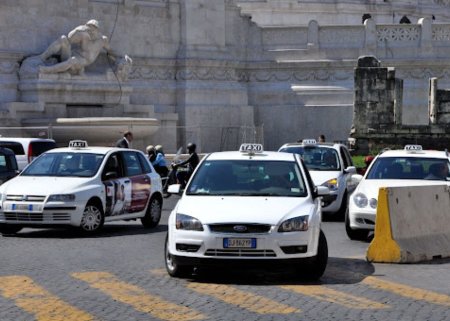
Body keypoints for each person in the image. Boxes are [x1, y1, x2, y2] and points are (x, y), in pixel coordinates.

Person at [39, 19, 118, 75]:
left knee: (73, 60)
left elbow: (111, 51)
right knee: (63, 39)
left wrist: (120, 58)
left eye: (93, 29)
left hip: (79, 63)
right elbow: (70, 38)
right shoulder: (85, 36)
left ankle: (48, 70)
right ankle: (42, 57)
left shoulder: (102, 40)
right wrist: (78, 29)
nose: (90, 31)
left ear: (97, 30)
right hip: (68, 57)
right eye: (89, 28)